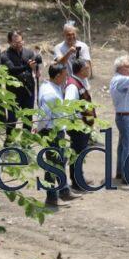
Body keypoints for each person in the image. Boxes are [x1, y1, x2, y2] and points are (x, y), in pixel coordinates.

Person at [36, 63, 80, 207]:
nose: (67, 77)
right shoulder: (50, 93)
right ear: (57, 76)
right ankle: (51, 197)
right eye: (64, 75)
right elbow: (44, 116)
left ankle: (63, 191)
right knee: (53, 165)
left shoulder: (52, 87)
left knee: (60, 162)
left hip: (57, 130)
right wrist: (39, 130)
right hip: (51, 132)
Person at [0, 30, 39, 140]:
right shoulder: (4, 55)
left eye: (20, 42)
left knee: (28, 118)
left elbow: (36, 64)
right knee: (12, 120)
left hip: (28, 91)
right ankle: (8, 144)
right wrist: (28, 66)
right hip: (13, 93)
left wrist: (37, 68)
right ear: (9, 42)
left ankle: (26, 143)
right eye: (15, 43)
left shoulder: (29, 52)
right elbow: (12, 70)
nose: (18, 45)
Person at [65, 59, 96, 192]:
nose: (89, 70)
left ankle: (78, 177)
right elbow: (68, 105)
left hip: (82, 125)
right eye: (86, 68)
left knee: (79, 153)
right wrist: (78, 121)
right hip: (78, 126)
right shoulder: (73, 85)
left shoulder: (80, 81)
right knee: (77, 153)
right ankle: (77, 181)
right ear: (80, 70)